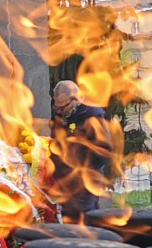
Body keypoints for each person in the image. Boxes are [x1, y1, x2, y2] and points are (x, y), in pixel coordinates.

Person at [49, 80, 114, 222]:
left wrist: (82, 167)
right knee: (67, 219)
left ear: (75, 99)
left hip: (84, 183)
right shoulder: (62, 114)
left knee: (84, 220)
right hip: (64, 180)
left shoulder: (92, 115)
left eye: (63, 107)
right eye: (57, 107)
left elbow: (104, 150)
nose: (59, 111)